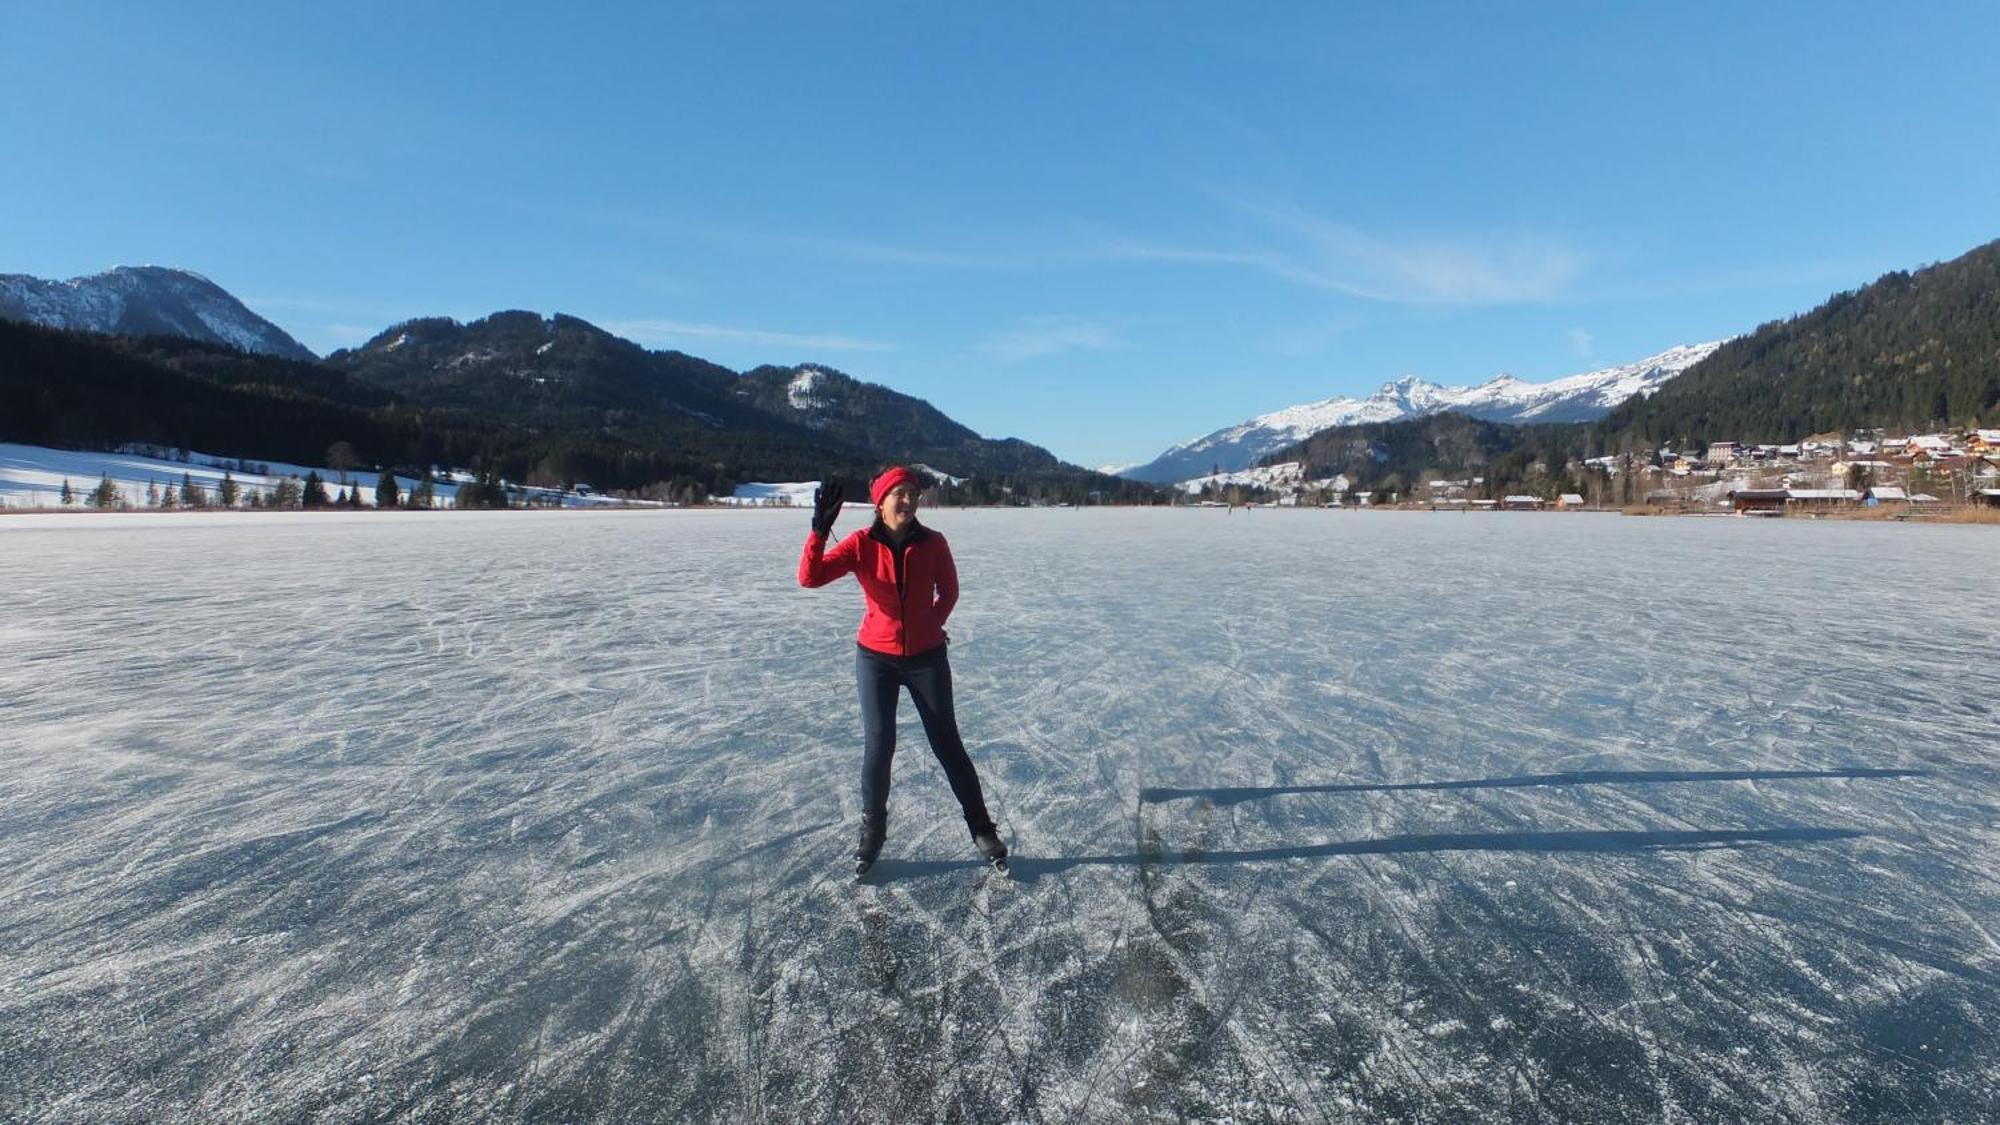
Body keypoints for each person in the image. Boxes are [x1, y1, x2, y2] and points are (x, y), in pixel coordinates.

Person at [798, 466, 1009, 877]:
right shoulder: (860, 545)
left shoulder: (933, 543)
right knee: (879, 746)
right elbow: (810, 577)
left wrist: (932, 623)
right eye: (900, 493)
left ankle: (982, 829)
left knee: (948, 744)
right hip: (875, 659)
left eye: (913, 493)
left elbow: (949, 591)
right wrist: (819, 533)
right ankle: (873, 832)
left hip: (927, 658)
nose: (909, 501)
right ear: (880, 502)